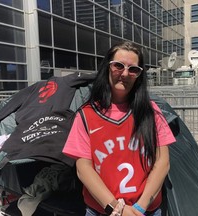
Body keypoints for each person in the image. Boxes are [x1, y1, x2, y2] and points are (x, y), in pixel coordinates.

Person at [63, 41, 176, 216]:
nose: (124, 73)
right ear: (107, 68)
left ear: (139, 75)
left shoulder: (151, 112)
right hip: (102, 210)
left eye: (133, 69)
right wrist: (117, 209)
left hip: (146, 210)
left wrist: (139, 208)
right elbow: (83, 168)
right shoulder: (86, 115)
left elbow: (163, 162)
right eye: (118, 66)